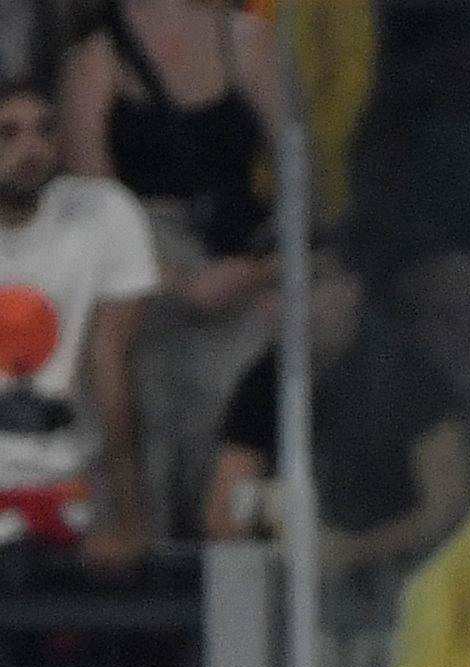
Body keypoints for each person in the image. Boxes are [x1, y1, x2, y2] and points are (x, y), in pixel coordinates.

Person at [58, 0, 283, 534]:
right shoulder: (95, 61)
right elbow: (94, 215)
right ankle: (145, 540)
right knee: (132, 368)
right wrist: (182, 284)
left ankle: (238, 548)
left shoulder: (248, 42)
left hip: (241, 261)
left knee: (264, 359)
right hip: (143, 270)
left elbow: (302, 182)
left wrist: (262, 268)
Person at [202, 246, 470, 577]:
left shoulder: (408, 374)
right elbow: (225, 512)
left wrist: (359, 550)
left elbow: (448, 506)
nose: (294, 302)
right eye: (275, 286)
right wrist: (281, 535)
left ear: (351, 291)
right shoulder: (261, 384)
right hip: (300, 589)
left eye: (312, 281)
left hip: (411, 583)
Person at [0, 69, 151, 567]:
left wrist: (128, 519)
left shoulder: (104, 214)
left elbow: (111, 371)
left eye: (45, 130)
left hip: (71, 489)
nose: (31, 149)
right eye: (8, 134)